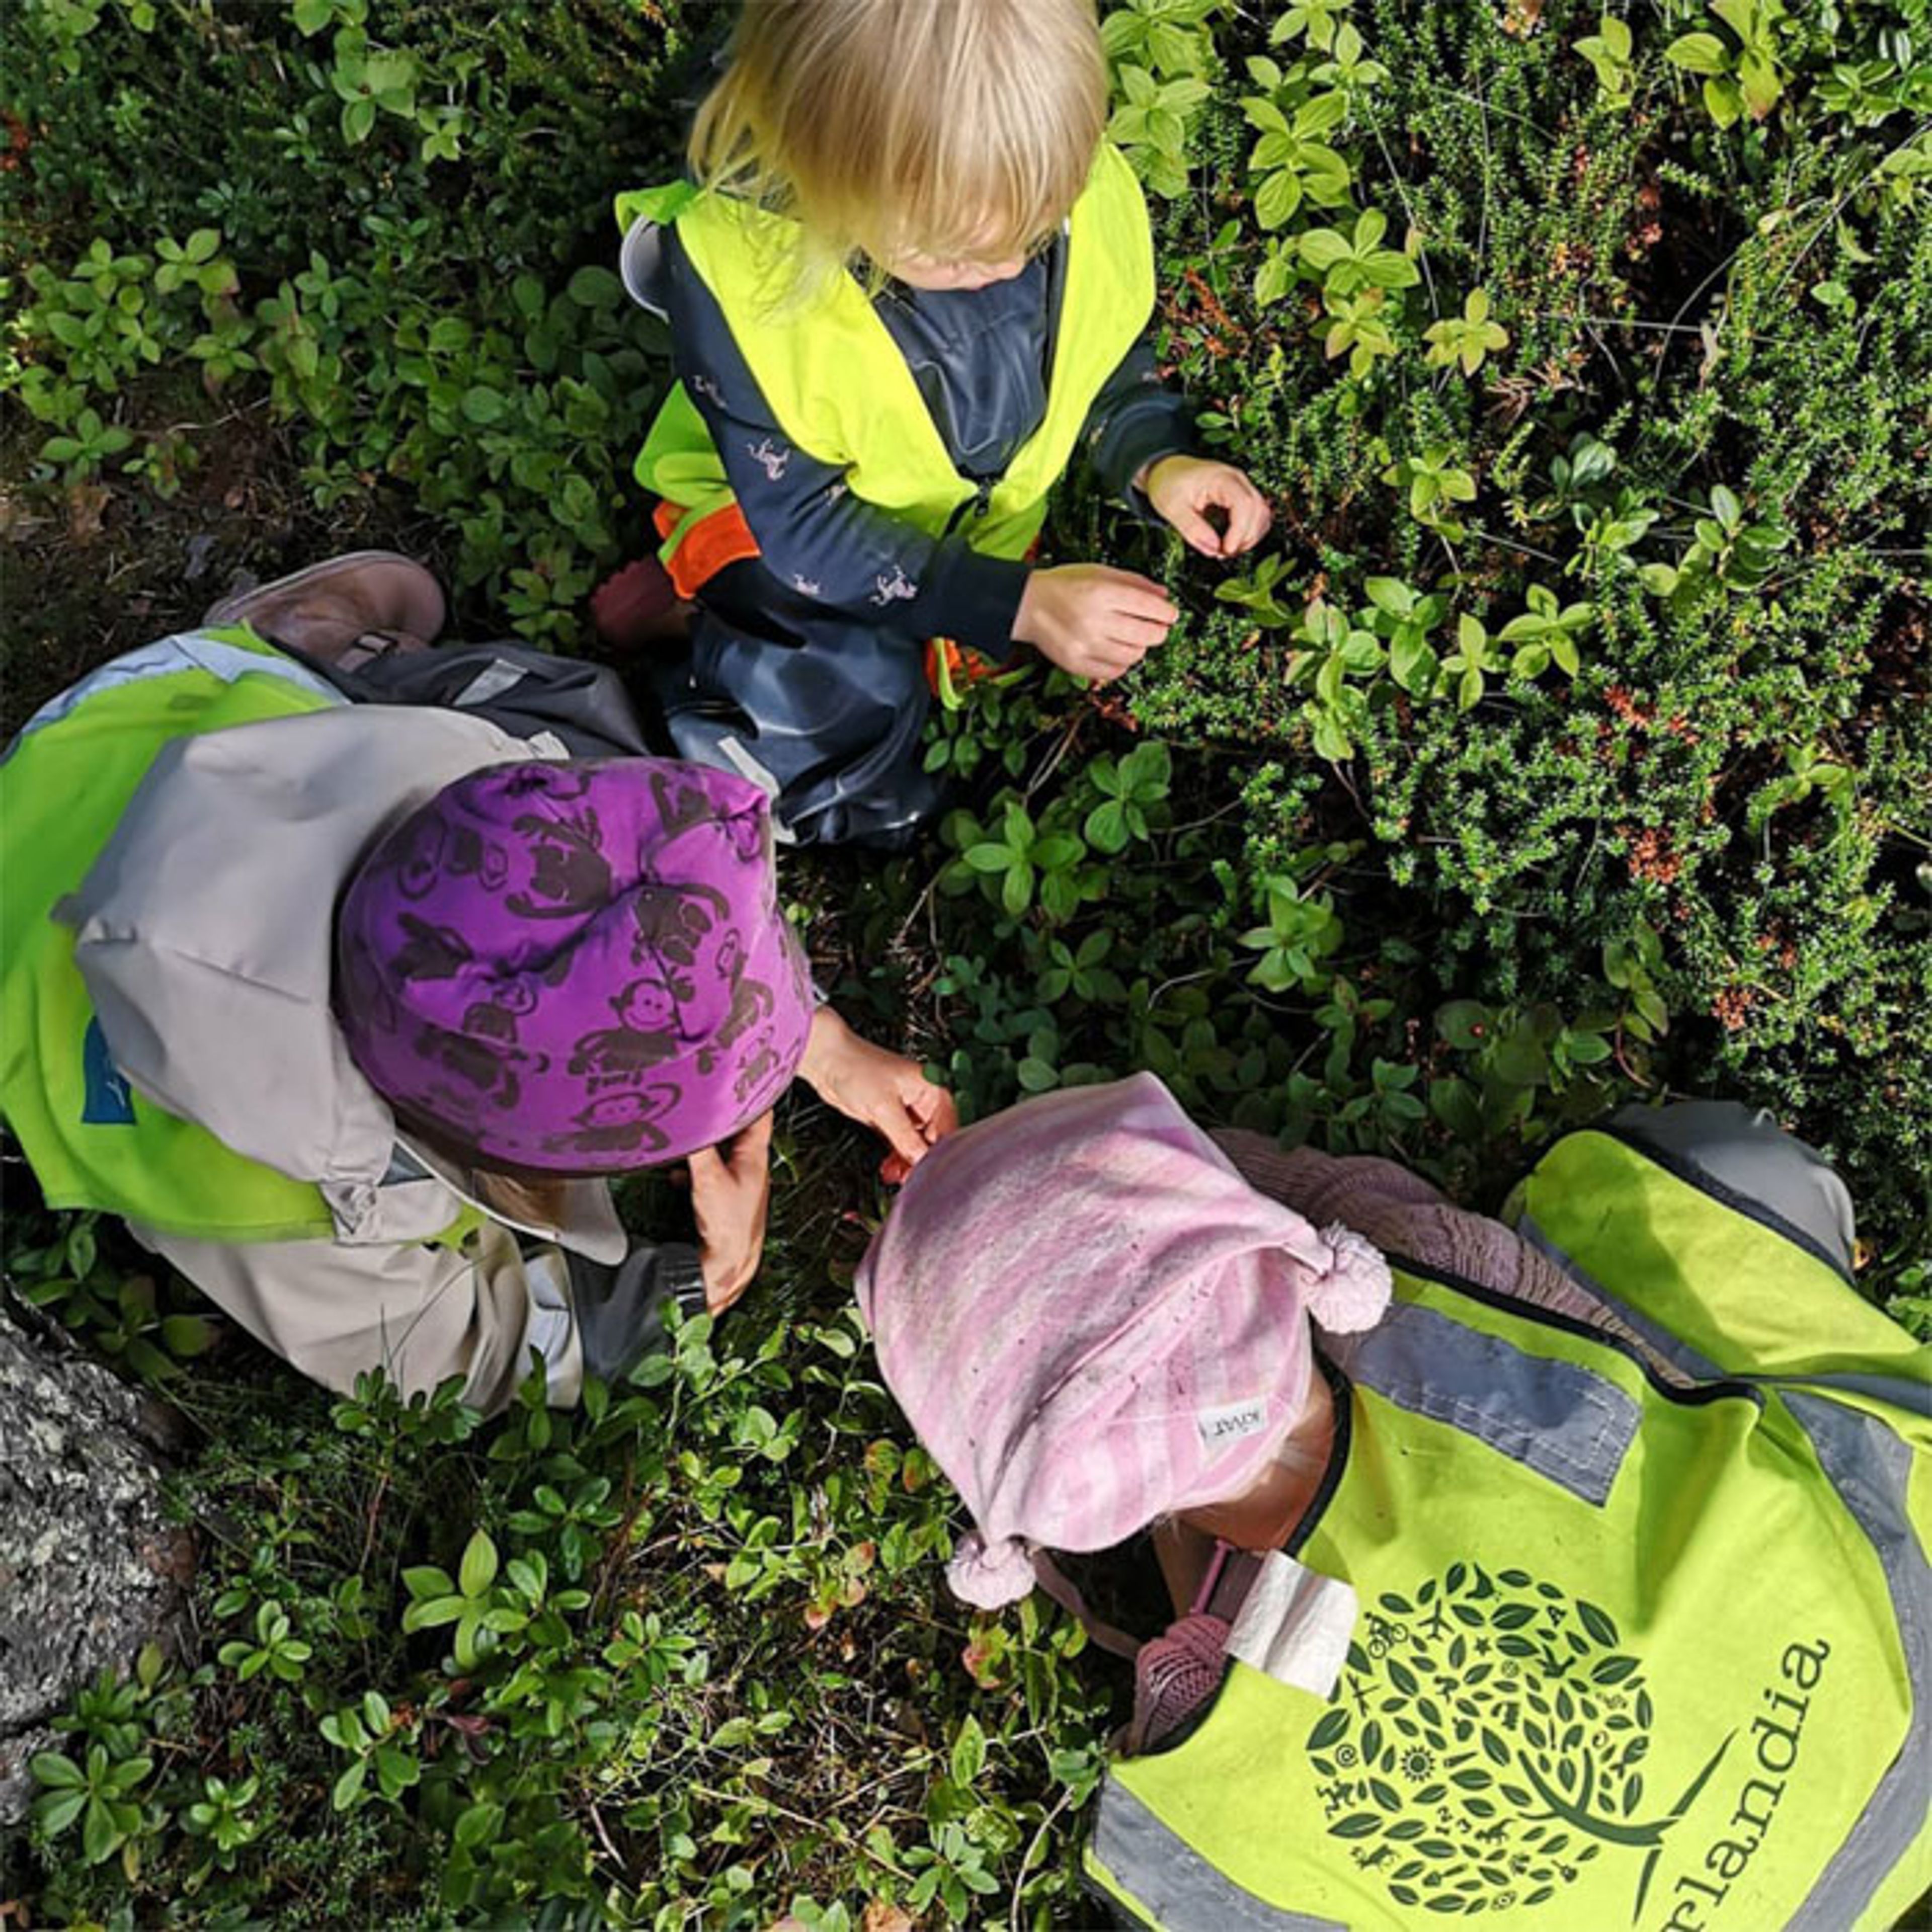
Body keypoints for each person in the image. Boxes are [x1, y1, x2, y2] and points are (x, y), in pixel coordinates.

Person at [857, 1075, 1932, 1930]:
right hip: (1907, 1688)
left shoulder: (1199, 1705)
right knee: (1724, 1169)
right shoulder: (1433, 1300)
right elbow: (1272, 1189)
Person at [0, 552, 955, 1414]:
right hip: (41, 948)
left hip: (133, 731)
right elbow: (453, 1347)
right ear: (503, 1159)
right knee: (569, 724)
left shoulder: (485, 799)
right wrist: (692, 1283)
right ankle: (327, 639)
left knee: (572, 730)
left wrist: (819, 1048)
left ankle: (317, 645)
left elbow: (651, 887)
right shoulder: (286, 1204)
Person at [600, 0, 1272, 847]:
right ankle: (706, 634)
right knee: (841, 715)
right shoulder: (741, 278)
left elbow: (1101, 355)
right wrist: (1017, 606)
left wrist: (1153, 458)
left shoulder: (1041, 183)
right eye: (949, 254)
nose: (1001, 270)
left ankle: (721, 613)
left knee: (935, 646)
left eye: (1034, 234)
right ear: (813, 168)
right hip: (777, 522)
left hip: (949, 526)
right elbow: (803, 525)